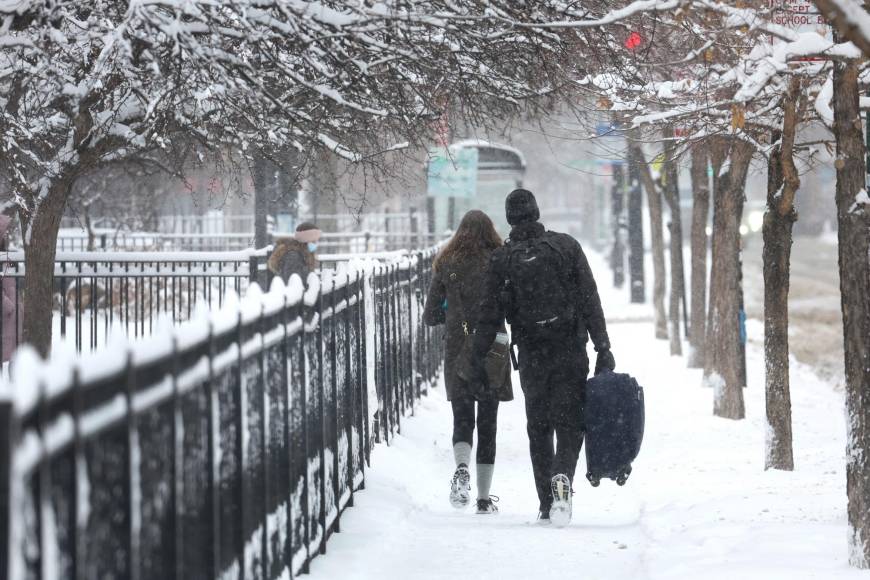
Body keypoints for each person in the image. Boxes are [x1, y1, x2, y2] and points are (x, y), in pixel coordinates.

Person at [470, 189, 615, 527]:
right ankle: (563, 474)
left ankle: (547, 504)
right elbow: (590, 300)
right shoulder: (566, 247)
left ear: (509, 218)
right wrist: (603, 347)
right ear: (536, 212)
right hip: (569, 348)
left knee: (538, 426)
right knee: (571, 422)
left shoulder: (502, 260)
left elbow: (488, 316)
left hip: (532, 353)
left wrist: (477, 359)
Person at [423, 210, 512, 515]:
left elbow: (430, 315)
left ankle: (462, 469)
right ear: (490, 232)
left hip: (458, 349)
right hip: (493, 350)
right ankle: (485, 499)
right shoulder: (500, 260)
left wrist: (453, 308)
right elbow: (511, 305)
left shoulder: (447, 263)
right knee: (488, 424)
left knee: (463, 419)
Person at [0, 214, 20, 362]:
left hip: (11, 317)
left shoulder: (5, 256)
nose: (7, 235)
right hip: (6, 313)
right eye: (4, 232)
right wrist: (7, 304)